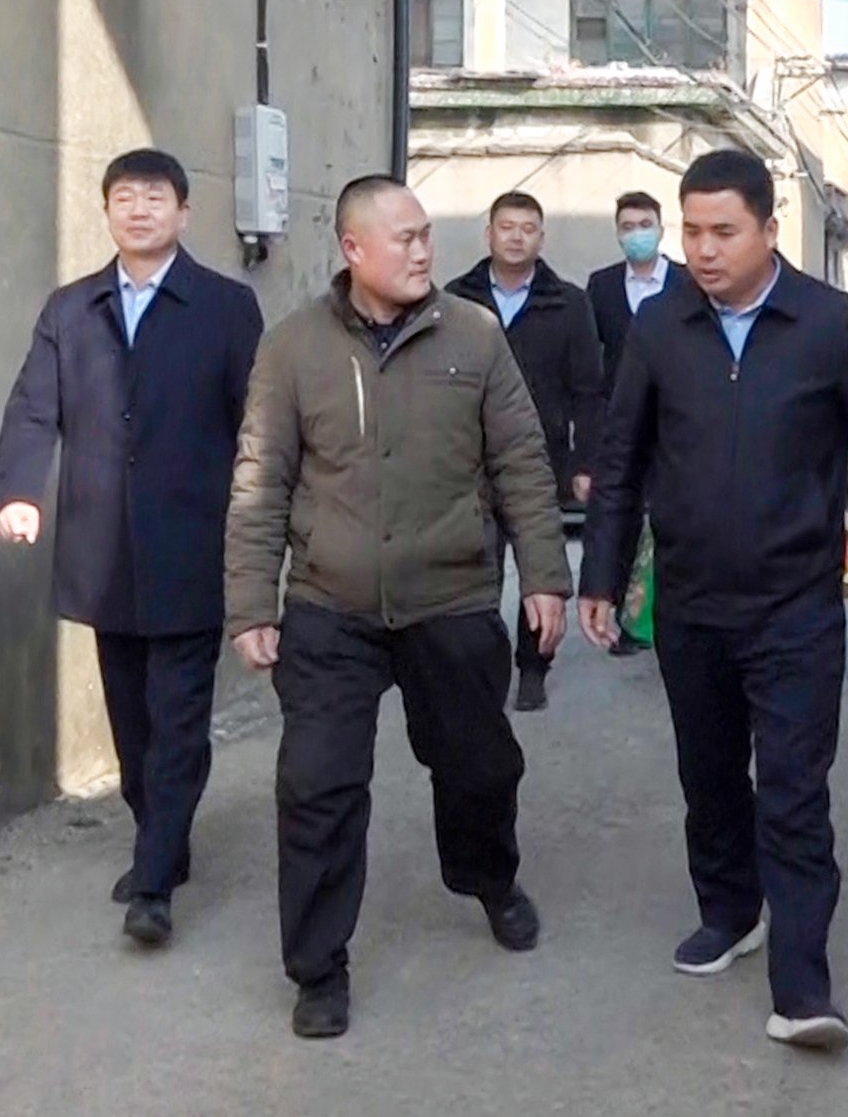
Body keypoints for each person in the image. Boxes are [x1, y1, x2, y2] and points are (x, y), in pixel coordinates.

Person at [577, 149, 848, 1053]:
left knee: (792, 789)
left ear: (769, 230)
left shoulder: (830, 324)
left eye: (724, 231)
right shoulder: (662, 327)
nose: (703, 251)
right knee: (708, 777)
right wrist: (601, 576)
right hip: (691, 604)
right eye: (691, 232)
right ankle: (729, 909)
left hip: (796, 606)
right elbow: (622, 460)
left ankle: (802, 984)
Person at [224, 174, 573, 1041]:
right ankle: (318, 967)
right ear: (354, 249)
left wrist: (543, 575)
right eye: (405, 237)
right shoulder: (293, 347)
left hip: (449, 595)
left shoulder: (475, 336)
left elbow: (522, 461)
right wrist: (251, 603)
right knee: (317, 785)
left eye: (426, 234)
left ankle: (489, 876)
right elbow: (261, 480)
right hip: (329, 604)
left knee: (479, 766)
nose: (424, 250)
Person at [0, 148, 264, 948]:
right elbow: (33, 407)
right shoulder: (72, 308)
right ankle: (163, 836)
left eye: (154, 197)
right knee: (132, 724)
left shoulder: (225, 307)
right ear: (107, 211)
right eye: (124, 197)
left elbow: (257, 420)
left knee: (178, 719)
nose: (139, 210)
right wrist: (19, 491)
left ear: (184, 212)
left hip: (191, 541)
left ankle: (152, 885)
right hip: (102, 547)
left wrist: (261, 520)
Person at [446, 191, 604, 712]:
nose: (516, 237)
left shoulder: (569, 304)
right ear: (488, 233)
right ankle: (482, 670)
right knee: (476, 573)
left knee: (540, 566)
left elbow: (588, 391)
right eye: (507, 227)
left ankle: (533, 668)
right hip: (468, 461)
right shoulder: (456, 299)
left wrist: (585, 462)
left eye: (527, 228)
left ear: (541, 237)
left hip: (540, 459)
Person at [584, 191, 688, 659]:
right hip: (621, 419)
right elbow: (593, 359)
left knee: (671, 518)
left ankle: (670, 615)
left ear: (661, 229)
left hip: (673, 418)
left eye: (645, 225)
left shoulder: (685, 283)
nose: (637, 234)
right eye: (627, 227)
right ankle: (625, 619)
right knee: (621, 518)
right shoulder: (602, 286)